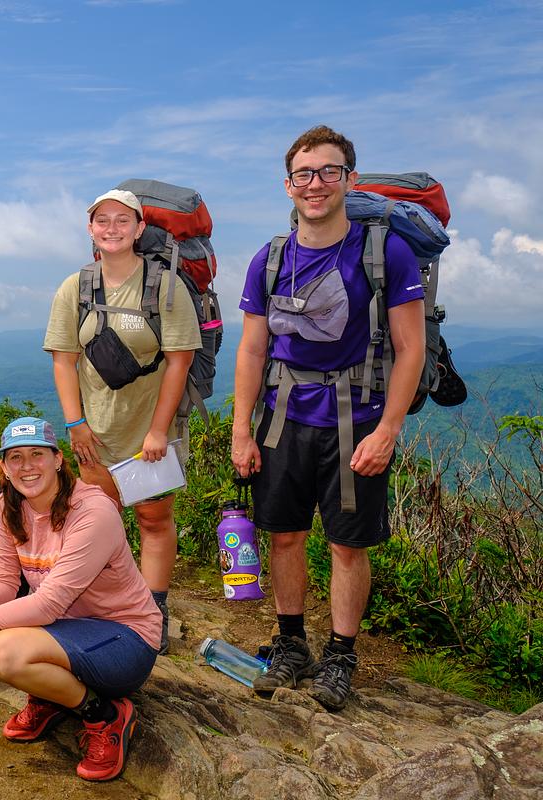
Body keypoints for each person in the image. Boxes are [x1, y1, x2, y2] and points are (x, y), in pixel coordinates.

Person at [232, 125, 426, 711]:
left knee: (347, 545)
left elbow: (410, 347)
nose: (315, 184)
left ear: (349, 179)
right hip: (282, 417)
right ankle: (292, 644)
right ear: (287, 185)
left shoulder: (384, 251)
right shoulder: (269, 260)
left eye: (329, 172)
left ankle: (340, 656)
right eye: (304, 174)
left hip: (357, 417)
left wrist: (389, 429)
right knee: (284, 535)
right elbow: (251, 349)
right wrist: (241, 429)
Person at [0, 418, 161, 782]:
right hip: (63, 631)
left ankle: (104, 715)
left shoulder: (92, 512)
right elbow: (4, 581)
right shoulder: (8, 508)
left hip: (125, 639)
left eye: (37, 454)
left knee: (2, 649)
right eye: (15, 457)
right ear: (3, 467)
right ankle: (51, 695)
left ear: (57, 459)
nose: (26, 466)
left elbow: (49, 603)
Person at [44, 189, 201, 652]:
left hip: (150, 428)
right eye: (102, 220)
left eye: (122, 220)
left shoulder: (164, 287)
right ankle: (106, 604)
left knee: (153, 519)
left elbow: (179, 361)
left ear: (138, 229)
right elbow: (63, 359)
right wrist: (75, 425)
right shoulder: (75, 287)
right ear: (90, 229)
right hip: (93, 430)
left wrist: (158, 431)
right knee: (96, 521)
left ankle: (153, 609)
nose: (111, 228)